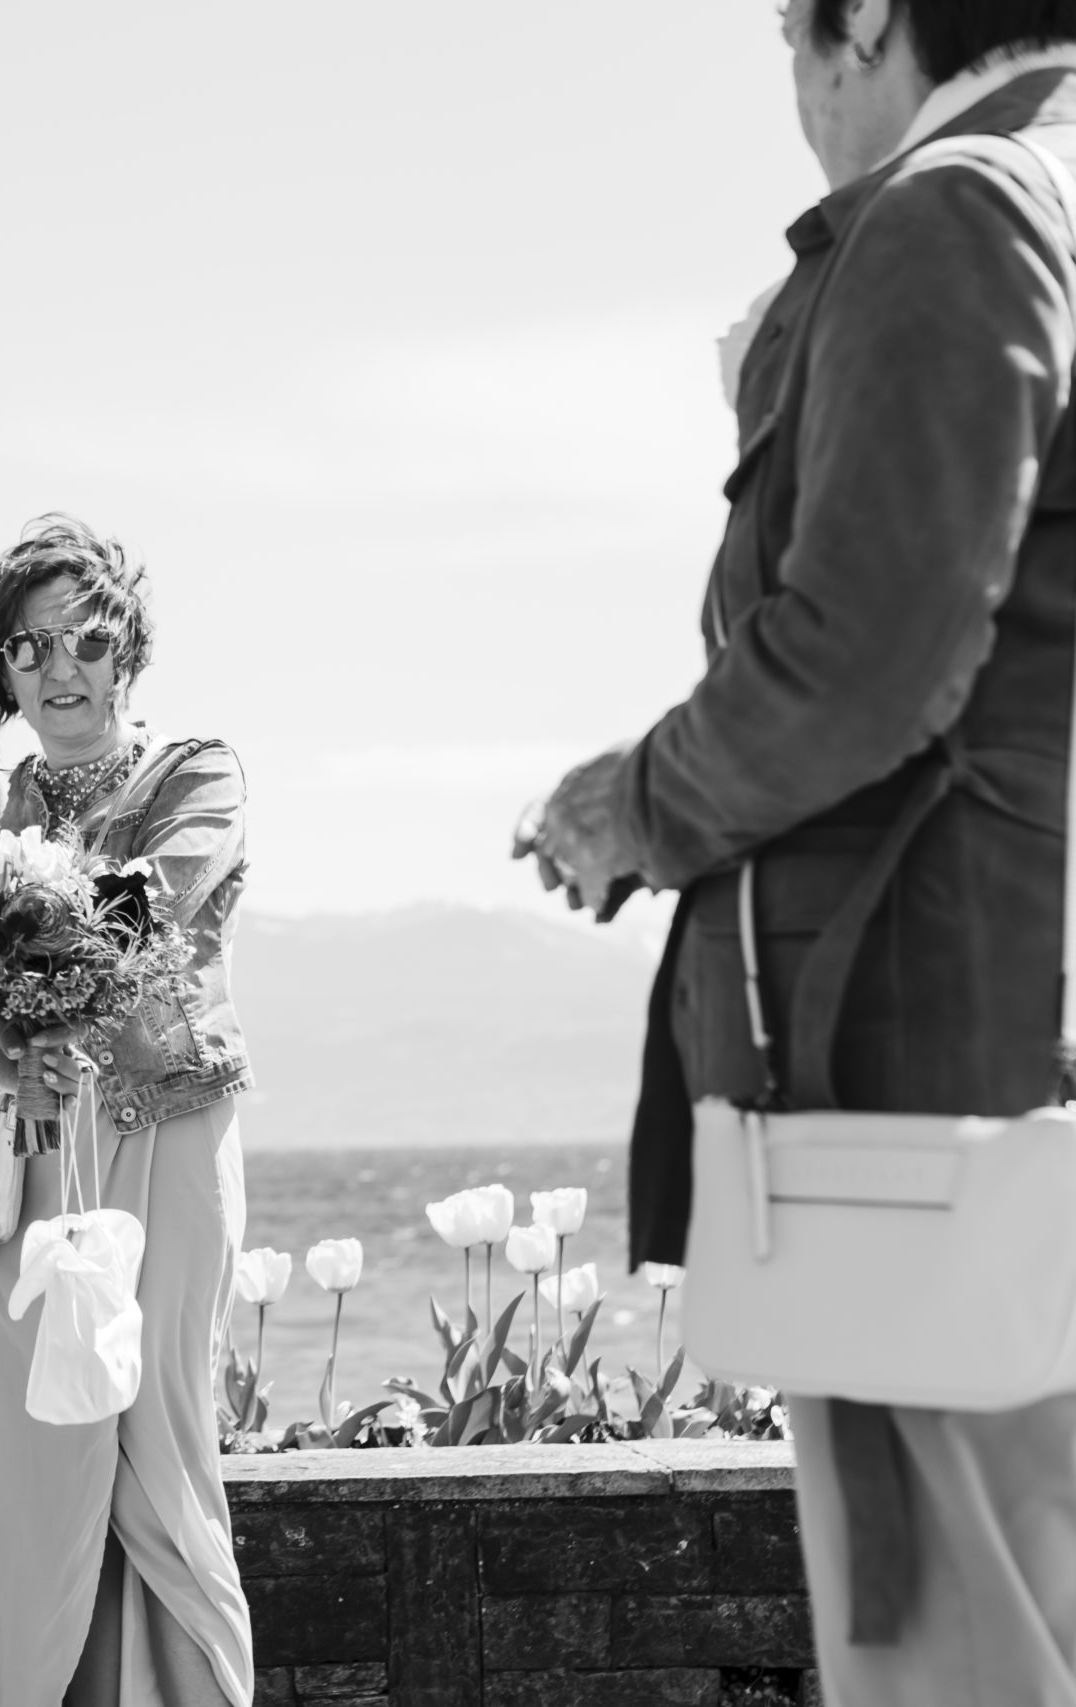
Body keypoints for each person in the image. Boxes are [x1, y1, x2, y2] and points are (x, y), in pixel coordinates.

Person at [516, 6, 1076, 1701]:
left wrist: (624, 805)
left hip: (926, 1062)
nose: (794, 84)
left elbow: (866, 660)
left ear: (869, 21)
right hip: (1004, 1037)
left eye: (787, 31)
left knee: (954, 1647)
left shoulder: (956, 208)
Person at [0, 516, 255, 1707]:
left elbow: (144, 907)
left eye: (88, 642)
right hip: (24, 1153)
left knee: (159, 1448)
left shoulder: (196, 775)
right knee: (33, 1457)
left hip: (165, 1137)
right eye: (29, 646)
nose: (61, 669)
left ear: (127, 654)